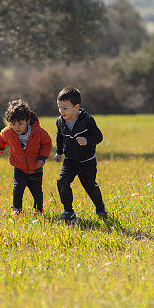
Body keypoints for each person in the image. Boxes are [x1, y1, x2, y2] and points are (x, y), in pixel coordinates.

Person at [53, 86, 107, 222]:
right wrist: (59, 153)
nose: (61, 111)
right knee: (62, 181)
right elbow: (59, 137)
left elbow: (99, 136)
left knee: (90, 186)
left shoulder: (87, 120)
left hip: (87, 161)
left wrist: (87, 140)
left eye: (65, 108)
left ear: (76, 107)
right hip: (70, 160)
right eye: (59, 107)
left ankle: (100, 209)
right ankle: (68, 212)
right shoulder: (60, 122)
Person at [0, 99, 52, 215]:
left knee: (36, 191)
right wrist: (1, 147)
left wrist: (42, 158)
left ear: (27, 121)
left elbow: (47, 144)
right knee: (17, 189)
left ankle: (38, 209)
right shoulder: (8, 132)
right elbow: (1, 138)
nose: (16, 127)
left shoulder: (38, 132)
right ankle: (16, 210)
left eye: (20, 123)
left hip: (35, 167)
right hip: (19, 167)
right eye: (13, 123)